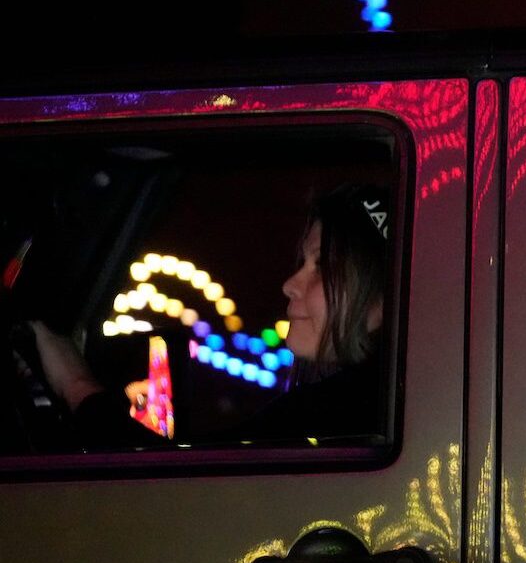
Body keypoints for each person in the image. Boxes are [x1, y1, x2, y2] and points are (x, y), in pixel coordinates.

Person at [27, 183, 391, 447]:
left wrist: (76, 387)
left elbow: (178, 491)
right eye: (303, 263)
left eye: (322, 267)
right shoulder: (366, 408)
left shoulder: (338, 411)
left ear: (383, 301)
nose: (290, 285)